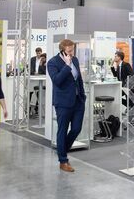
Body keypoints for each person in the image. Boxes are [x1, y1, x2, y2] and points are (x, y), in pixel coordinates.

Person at [47, 39, 86, 172]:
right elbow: (57, 80)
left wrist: (83, 96)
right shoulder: (53, 62)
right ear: (62, 50)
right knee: (62, 130)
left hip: (78, 101)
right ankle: (63, 160)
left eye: (72, 49)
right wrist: (67, 66)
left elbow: (79, 79)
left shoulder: (75, 60)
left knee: (76, 129)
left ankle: (62, 150)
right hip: (63, 103)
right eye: (69, 50)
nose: (71, 52)